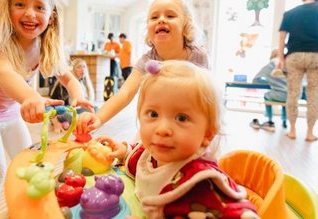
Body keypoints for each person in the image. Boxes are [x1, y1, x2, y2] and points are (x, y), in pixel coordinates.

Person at [0, 0, 93, 218]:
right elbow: (6, 75)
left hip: (9, 112)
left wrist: (79, 98)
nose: (30, 13)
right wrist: (31, 97)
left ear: (51, 16)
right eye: (20, 4)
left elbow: (70, 78)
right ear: (7, 10)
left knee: (31, 166)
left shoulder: (44, 48)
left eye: (39, 7)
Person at [95, 60, 259, 218]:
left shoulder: (200, 185)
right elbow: (139, 160)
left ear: (207, 134)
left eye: (181, 118)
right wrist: (124, 151)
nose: (162, 129)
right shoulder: (152, 156)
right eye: (153, 114)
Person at [77, 0, 209, 134]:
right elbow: (125, 93)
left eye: (170, 16)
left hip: (190, 125)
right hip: (158, 125)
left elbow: (207, 97)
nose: (161, 20)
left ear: (186, 25)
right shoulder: (147, 60)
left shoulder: (198, 56)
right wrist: (98, 118)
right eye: (154, 17)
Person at [278, 0, 318, 141]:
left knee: (293, 94)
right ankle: (309, 133)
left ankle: (293, 131)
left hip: (294, 55)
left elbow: (282, 38)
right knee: (313, 96)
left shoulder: (290, 13)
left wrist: (281, 58)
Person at [51, 58, 97, 132]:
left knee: (95, 109)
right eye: (79, 67)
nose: (82, 69)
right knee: (69, 115)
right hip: (64, 110)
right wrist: (55, 122)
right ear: (73, 70)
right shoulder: (63, 84)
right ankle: (73, 121)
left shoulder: (84, 83)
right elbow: (53, 107)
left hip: (77, 110)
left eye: (84, 67)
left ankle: (73, 122)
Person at [250, 49, 288, 132]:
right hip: (290, 96)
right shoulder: (287, 64)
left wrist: (266, 81)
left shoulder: (271, 64)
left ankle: (270, 119)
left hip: (278, 94)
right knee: (285, 103)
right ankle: (284, 120)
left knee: (266, 95)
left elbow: (256, 79)